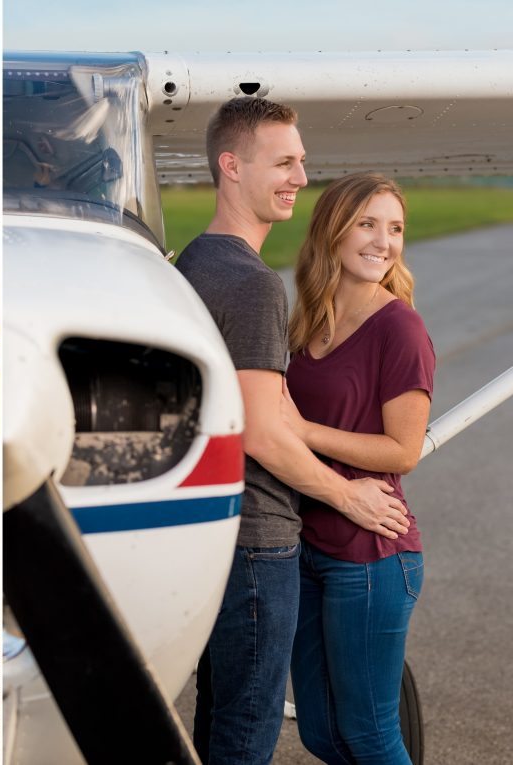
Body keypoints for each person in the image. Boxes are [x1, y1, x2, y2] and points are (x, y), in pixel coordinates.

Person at [174, 98, 411, 764]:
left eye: (301, 162)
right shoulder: (252, 285)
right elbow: (264, 433)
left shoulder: (195, 261)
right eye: (284, 162)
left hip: (216, 531)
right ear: (231, 165)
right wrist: (349, 495)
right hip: (259, 541)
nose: (300, 177)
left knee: (219, 718)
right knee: (246, 731)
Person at [283, 173, 433, 764]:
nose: (383, 241)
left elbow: (403, 450)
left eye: (394, 228)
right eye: (368, 224)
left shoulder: (399, 327)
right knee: (322, 734)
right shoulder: (307, 323)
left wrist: (305, 432)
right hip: (307, 551)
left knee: (371, 736)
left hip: (371, 556)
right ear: (333, 232)